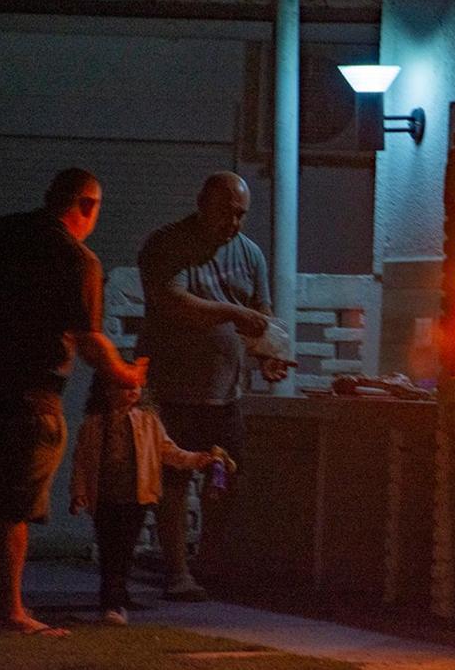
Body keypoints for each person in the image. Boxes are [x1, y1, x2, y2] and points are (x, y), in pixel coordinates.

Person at [0, 167, 148, 635]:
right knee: (13, 504)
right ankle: (10, 611)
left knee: (1, 494)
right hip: (34, 395)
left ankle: (6, 606)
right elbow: (88, 339)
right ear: (86, 206)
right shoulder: (77, 259)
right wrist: (126, 372)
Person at [137, 171, 289, 601]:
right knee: (174, 482)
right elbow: (174, 302)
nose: (234, 224)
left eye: (241, 215)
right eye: (227, 213)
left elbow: (262, 313)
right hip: (172, 388)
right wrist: (234, 314)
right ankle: (177, 572)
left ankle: (211, 564)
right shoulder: (168, 244)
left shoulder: (250, 254)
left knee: (225, 479)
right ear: (203, 202)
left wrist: (269, 354)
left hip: (226, 392)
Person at [68, 375, 215, 625]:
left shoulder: (148, 421)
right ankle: (113, 600)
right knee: (109, 547)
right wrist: (79, 492)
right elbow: (81, 460)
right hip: (105, 496)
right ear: (107, 391)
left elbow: (167, 450)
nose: (131, 391)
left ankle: (116, 598)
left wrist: (194, 459)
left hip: (135, 496)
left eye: (135, 386)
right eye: (124, 386)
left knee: (124, 548)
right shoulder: (93, 424)